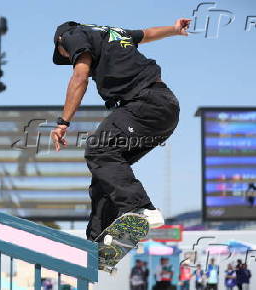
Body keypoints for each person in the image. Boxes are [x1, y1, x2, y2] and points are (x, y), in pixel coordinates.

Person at [50, 19, 190, 243]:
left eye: (66, 56)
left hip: (142, 104)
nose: (70, 58)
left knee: (98, 149)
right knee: (105, 174)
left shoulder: (73, 35)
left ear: (61, 40)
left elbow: (80, 77)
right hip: (165, 107)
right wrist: (174, 29)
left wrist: (63, 122)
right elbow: (148, 32)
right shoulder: (115, 33)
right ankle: (97, 240)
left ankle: (141, 209)